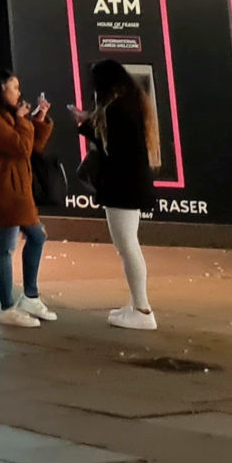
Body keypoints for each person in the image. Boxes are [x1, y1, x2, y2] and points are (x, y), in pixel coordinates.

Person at [0, 68, 55, 330]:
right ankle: (7, 307)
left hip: (17, 189)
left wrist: (38, 119)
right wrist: (23, 120)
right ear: (0, 88)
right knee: (6, 247)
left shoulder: (4, 113)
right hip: (2, 190)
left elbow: (32, 147)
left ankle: (29, 297)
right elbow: (19, 146)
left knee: (36, 237)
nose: (18, 93)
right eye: (14, 87)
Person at [79, 61, 160, 331]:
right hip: (131, 186)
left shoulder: (116, 109)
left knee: (127, 246)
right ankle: (138, 304)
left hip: (121, 188)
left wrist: (85, 123)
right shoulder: (132, 103)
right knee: (128, 245)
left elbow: (109, 147)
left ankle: (142, 308)